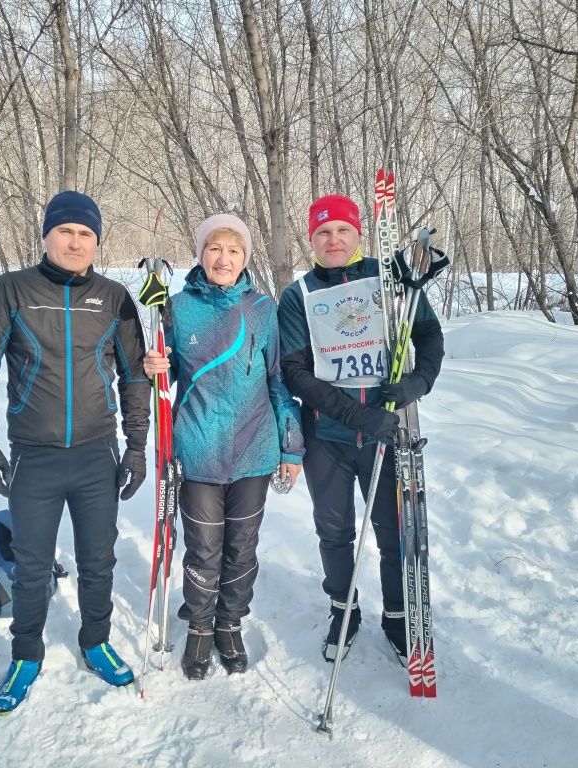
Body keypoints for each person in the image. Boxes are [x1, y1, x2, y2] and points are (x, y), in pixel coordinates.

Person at [0, 190, 151, 713]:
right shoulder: (12, 291)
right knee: (31, 561)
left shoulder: (114, 298)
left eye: (85, 234)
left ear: (96, 242)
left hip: (97, 455)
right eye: (65, 231)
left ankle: (95, 641)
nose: (75, 241)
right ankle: (26, 653)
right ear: (46, 235)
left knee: (98, 559)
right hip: (33, 456)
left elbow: (136, 377)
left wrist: (136, 448)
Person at [277, 193, 444, 664]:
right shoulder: (299, 294)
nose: (333, 240)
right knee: (333, 531)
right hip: (327, 436)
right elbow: (295, 371)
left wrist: (418, 382)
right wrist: (353, 415)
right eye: (323, 232)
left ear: (358, 234)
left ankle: (396, 614)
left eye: (342, 231)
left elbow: (429, 336)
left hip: (388, 433)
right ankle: (344, 610)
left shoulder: (389, 279)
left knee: (392, 533)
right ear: (311, 238)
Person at [143, 213, 304, 680]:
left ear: (245, 258)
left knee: (242, 546)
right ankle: (198, 625)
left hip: (254, 450)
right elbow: (161, 373)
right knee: (204, 545)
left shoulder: (262, 309)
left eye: (234, 250)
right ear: (200, 253)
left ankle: (229, 621)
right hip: (196, 449)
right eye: (215, 248)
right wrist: (151, 362)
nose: (224, 258)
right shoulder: (176, 307)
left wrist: (291, 449)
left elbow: (277, 381)